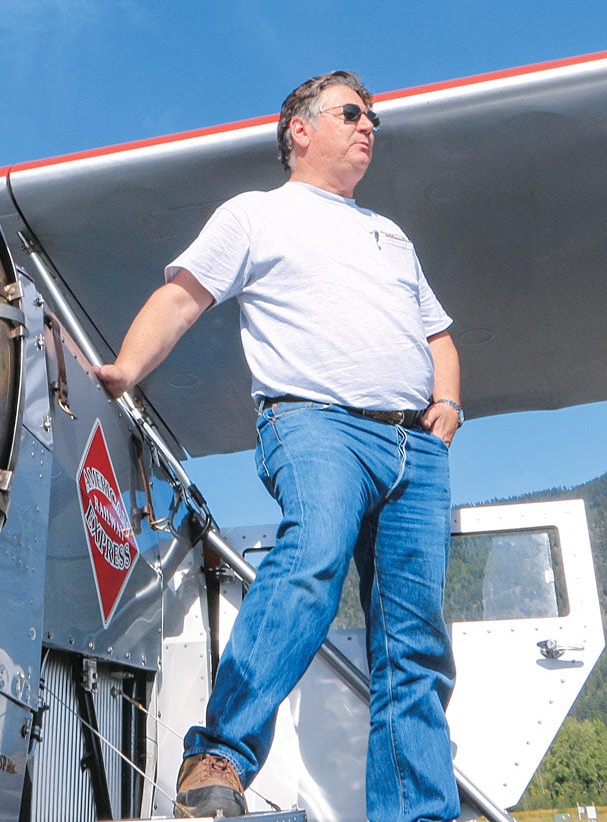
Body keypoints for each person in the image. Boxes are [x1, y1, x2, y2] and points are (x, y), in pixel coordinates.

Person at [91, 71, 462, 821]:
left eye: (374, 118)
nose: (370, 126)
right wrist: (127, 367)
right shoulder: (256, 214)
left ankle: (420, 812)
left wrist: (447, 400)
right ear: (299, 127)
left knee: (414, 643)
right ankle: (219, 755)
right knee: (312, 557)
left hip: (414, 447)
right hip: (318, 423)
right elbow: (182, 295)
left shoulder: (391, 234)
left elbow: (438, 334)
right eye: (354, 112)